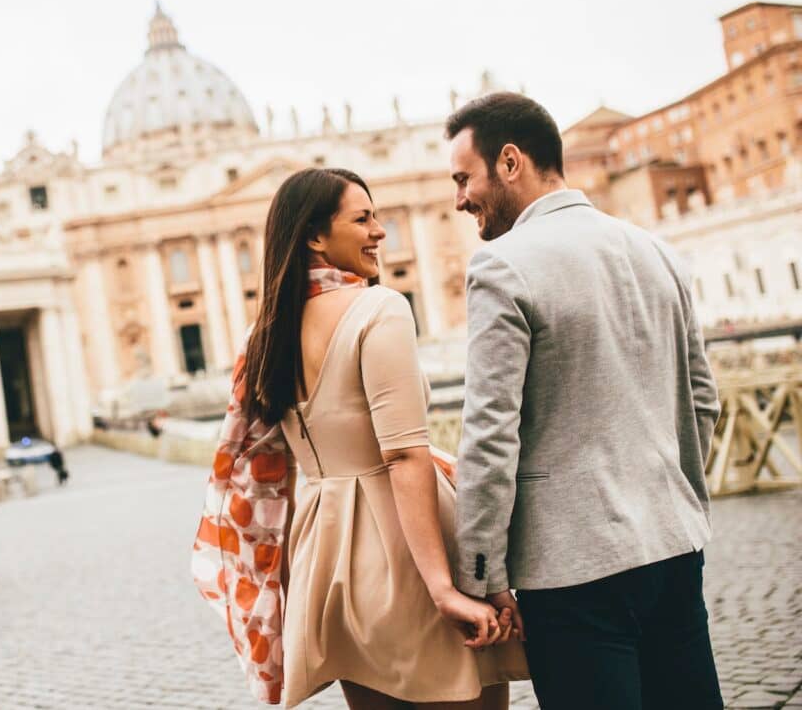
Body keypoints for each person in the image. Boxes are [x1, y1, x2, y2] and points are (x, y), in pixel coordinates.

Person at [193, 167, 526, 708]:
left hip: (325, 556)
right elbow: (402, 455)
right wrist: (445, 586)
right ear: (315, 237)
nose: (379, 232)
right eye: (363, 219)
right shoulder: (380, 308)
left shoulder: (264, 335)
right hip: (407, 549)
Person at [446, 92, 722, 710]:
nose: (460, 198)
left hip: (572, 572)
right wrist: (674, 495)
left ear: (510, 161)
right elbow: (703, 399)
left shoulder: (501, 265)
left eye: (465, 178)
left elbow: (490, 435)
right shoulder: (658, 252)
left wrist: (482, 575)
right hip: (673, 547)